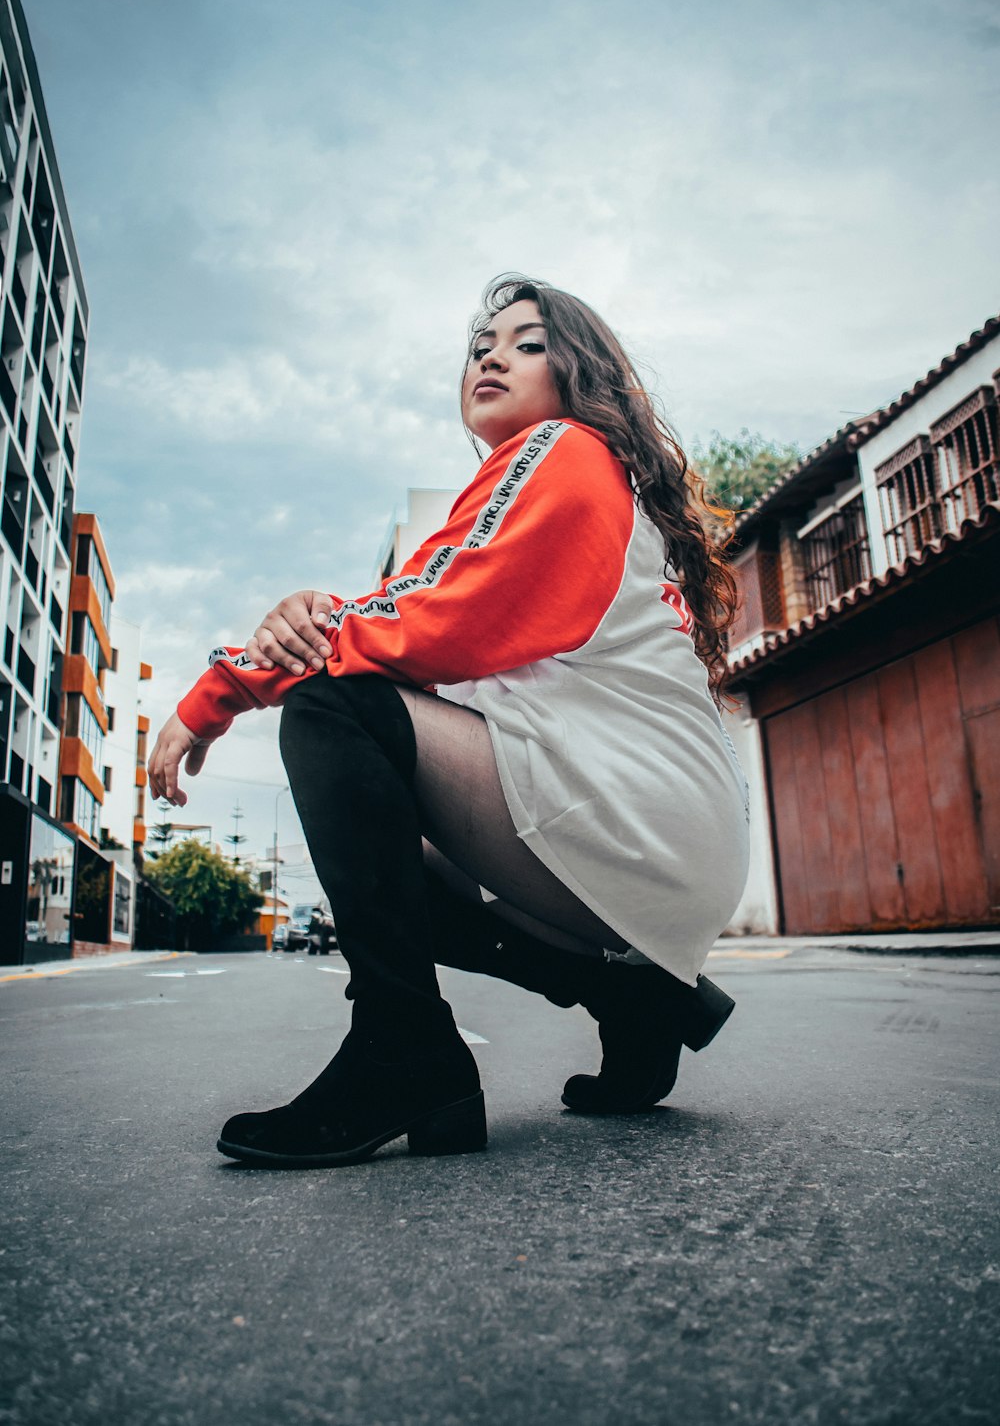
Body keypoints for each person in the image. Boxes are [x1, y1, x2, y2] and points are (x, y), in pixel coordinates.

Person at [148, 274, 750, 1169]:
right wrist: (303, 620)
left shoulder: (563, 451)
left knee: (332, 709)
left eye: (528, 340)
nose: (493, 354)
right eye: (480, 344)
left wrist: (226, 689)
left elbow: (430, 622)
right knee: (388, 864)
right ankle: (633, 999)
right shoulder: (528, 484)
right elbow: (409, 607)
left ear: (582, 370)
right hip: (654, 830)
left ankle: (404, 1050)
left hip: (634, 813)